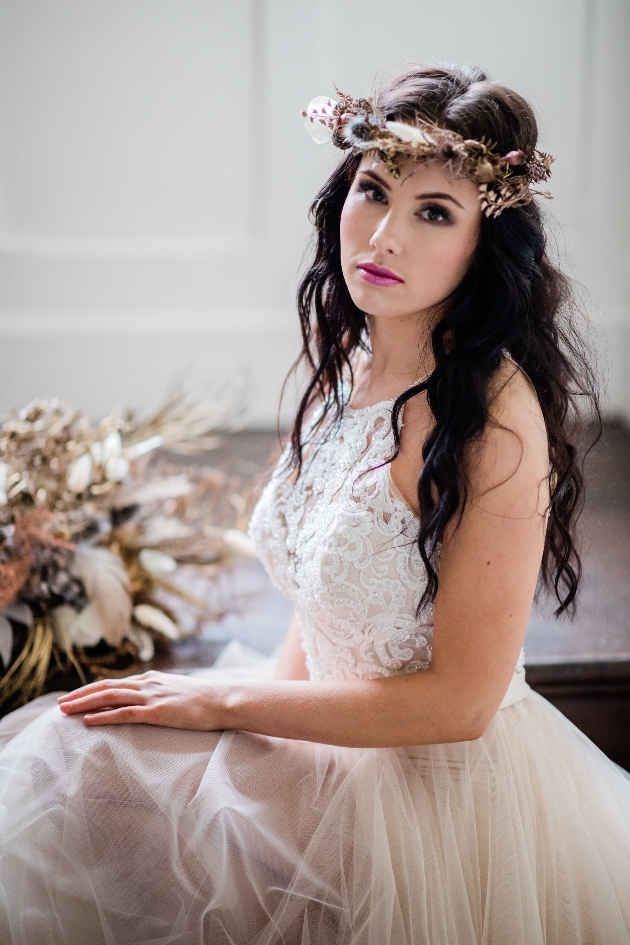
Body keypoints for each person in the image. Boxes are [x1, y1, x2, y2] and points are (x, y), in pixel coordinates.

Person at [0, 63, 629, 945]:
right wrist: (232, 722)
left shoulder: (493, 419)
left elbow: (459, 704)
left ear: (485, 246)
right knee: (75, 761)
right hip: (328, 737)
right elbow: (324, 599)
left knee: (91, 769)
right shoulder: (349, 361)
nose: (385, 236)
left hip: (435, 800)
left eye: (434, 213)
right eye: (372, 192)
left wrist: (222, 708)